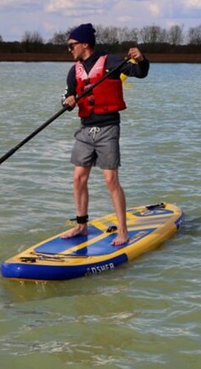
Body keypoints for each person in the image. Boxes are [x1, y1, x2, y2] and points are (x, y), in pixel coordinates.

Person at [60, 23, 150, 246]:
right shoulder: (74, 71)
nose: (69, 50)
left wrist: (140, 59)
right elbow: (68, 97)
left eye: (71, 45)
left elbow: (140, 73)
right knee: (78, 178)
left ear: (84, 44)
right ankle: (81, 226)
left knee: (111, 180)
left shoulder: (111, 61)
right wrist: (67, 101)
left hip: (108, 128)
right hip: (84, 130)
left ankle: (123, 231)